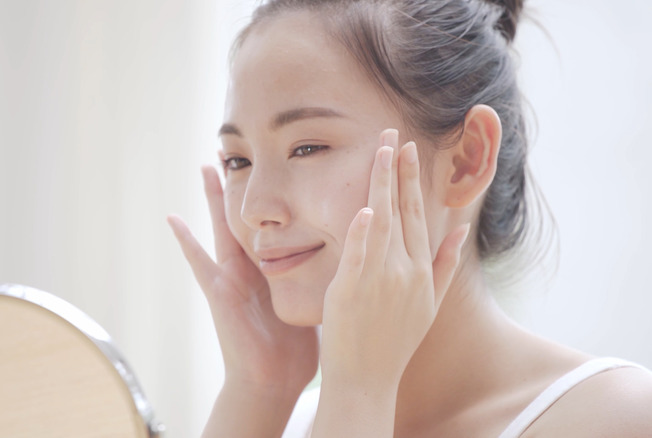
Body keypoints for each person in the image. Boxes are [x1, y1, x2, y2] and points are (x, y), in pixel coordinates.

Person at [167, 0, 652, 436]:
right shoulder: (283, 421)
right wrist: (258, 388)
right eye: (238, 161)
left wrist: (359, 393)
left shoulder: (618, 417)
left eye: (308, 147)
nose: (254, 210)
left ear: (466, 159)